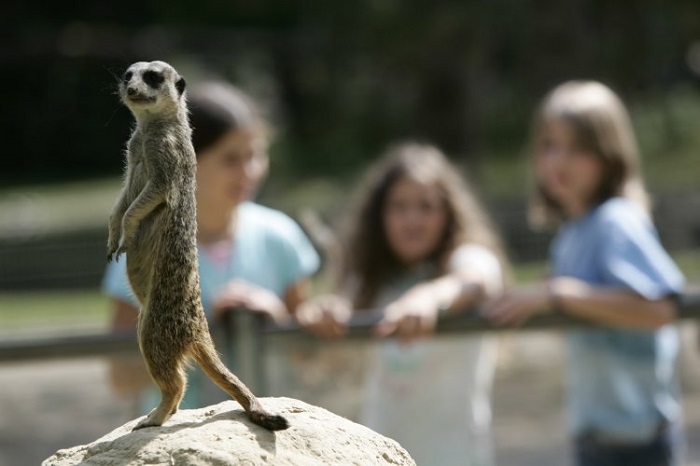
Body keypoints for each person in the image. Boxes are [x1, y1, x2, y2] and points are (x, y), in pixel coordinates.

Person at [483, 81, 686, 466]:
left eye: (576, 149)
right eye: (549, 146)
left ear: (610, 154)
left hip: (639, 441)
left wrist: (559, 293)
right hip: (595, 435)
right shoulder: (572, 231)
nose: (558, 161)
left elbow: (660, 308)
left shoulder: (617, 222)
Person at [103, 80, 320, 412]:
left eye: (255, 155)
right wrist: (192, 333)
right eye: (231, 159)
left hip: (267, 423)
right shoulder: (142, 241)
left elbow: (308, 357)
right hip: (179, 434)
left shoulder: (280, 236)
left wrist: (275, 318)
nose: (249, 171)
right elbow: (121, 378)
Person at [296, 142, 508, 466]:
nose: (413, 219)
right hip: (384, 456)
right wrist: (324, 315)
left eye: (426, 206)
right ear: (380, 215)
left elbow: (478, 278)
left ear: (448, 213)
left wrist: (429, 297)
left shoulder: (466, 259)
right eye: (399, 206)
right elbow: (331, 345)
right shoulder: (369, 283)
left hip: (458, 456)